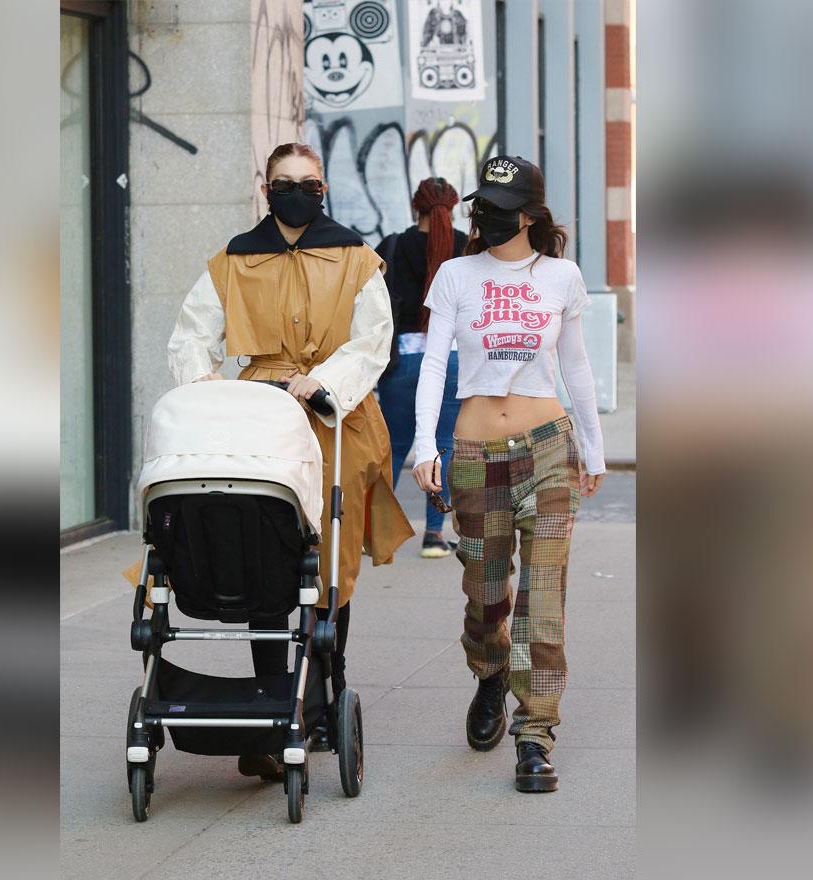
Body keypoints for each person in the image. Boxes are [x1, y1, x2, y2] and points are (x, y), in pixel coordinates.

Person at [157, 142, 413, 780]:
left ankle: (326, 690)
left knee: (331, 559)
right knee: (265, 549)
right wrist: (205, 386)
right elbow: (191, 334)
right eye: (283, 181)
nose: (296, 191)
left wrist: (325, 381)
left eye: (307, 181)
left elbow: (373, 337)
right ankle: (273, 708)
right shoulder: (233, 261)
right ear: (265, 187)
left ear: (323, 187)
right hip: (258, 416)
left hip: (335, 417)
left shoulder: (356, 259)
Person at [411, 155, 605, 792]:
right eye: (481, 206)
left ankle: (536, 734)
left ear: (529, 213)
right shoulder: (456, 276)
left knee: (542, 597)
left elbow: (576, 368)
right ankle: (490, 671)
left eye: (499, 207)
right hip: (474, 454)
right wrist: (423, 445)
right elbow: (434, 364)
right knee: (484, 592)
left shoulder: (562, 278)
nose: (486, 217)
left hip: (548, 447)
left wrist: (594, 448)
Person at [376, 178, 468, 557]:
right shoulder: (467, 247)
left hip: (403, 357)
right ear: (453, 206)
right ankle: (434, 534)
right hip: (451, 357)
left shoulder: (394, 245)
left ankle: (376, 535)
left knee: (394, 448)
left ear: (416, 208)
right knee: (443, 446)